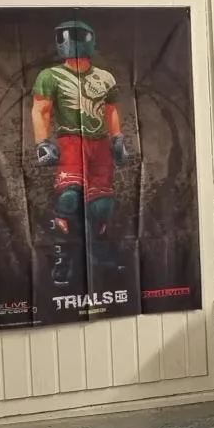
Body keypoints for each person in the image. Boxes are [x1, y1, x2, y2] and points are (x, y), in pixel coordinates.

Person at [31, 20, 131, 284]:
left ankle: (98, 254)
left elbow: (111, 110)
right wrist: (42, 142)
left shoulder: (105, 78)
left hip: (100, 145)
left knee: (102, 205)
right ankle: (64, 257)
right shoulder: (51, 76)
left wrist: (117, 138)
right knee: (69, 200)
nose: (70, 41)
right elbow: (41, 109)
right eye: (65, 36)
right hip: (70, 142)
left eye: (76, 35)